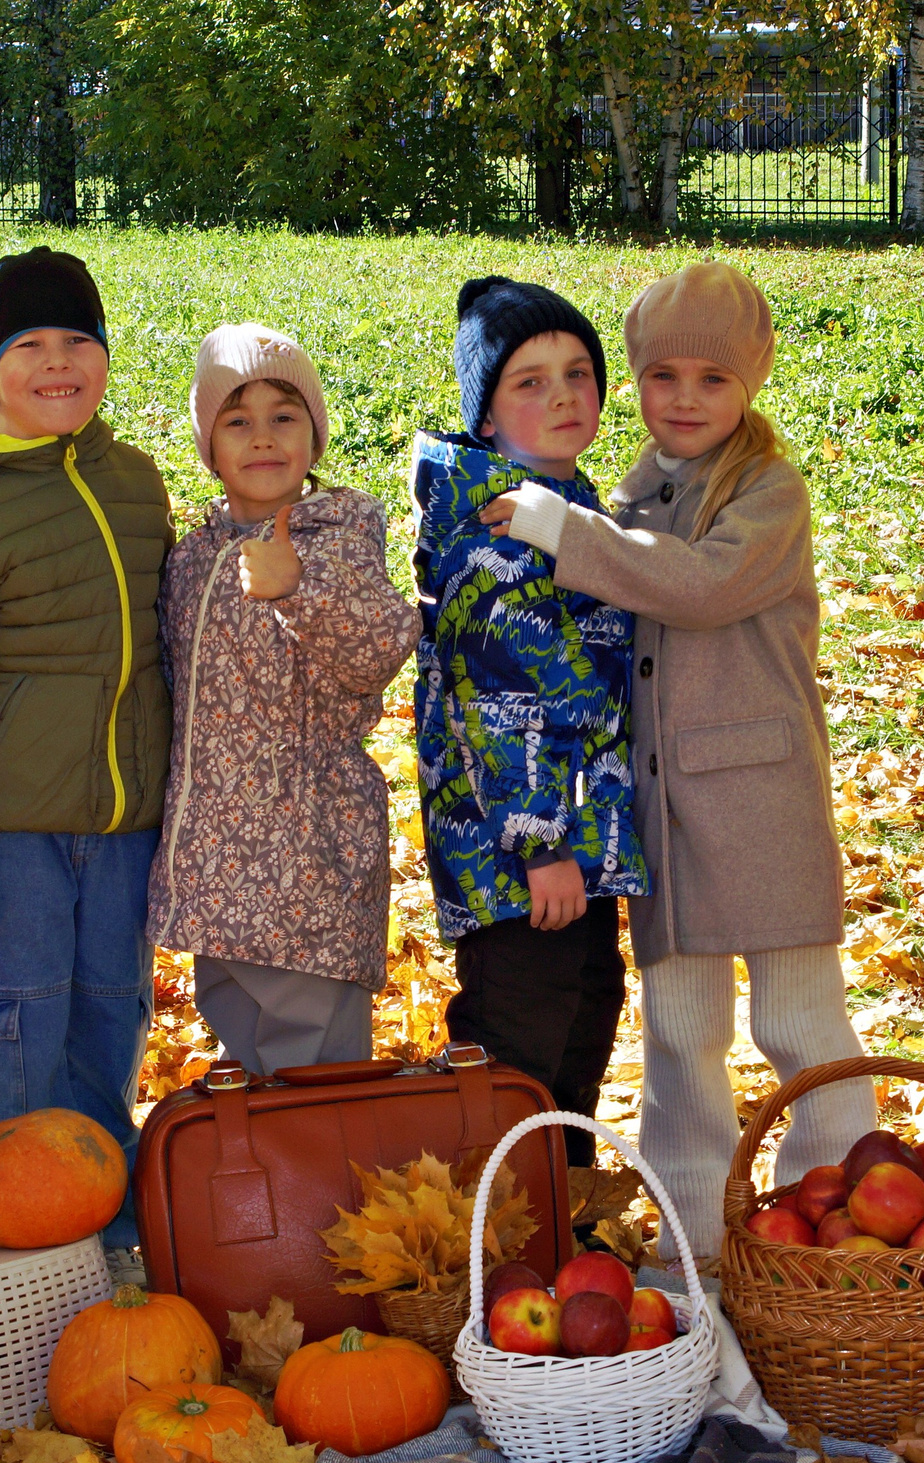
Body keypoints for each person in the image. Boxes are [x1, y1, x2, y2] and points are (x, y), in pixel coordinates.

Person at [480, 260, 876, 1267]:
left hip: (759, 800)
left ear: (750, 384)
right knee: (681, 1035)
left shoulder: (767, 495)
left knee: (800, 1022)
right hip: (661, 810)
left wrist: (565, 530)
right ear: (638, 384)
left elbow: (696, 588)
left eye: (712, 378)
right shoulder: (640, 491)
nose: (686, 399)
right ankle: (695, 1231)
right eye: (664, 377)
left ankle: (831, 1213)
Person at [0, 248, 172, 1270]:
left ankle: (112, 1238)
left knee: (111, 1022)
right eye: (29, 346)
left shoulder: (136, 485)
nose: (57, 364)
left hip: (124, 829)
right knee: (17, 1032)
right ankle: (22, 1249)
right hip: (8, 837)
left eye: (78, 343)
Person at [413, 277, 648, 1164]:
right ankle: (486, 1224)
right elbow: (500, 703)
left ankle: (558, 1209)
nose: (561, 395)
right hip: (518, 854)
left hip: (579, 841)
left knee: (585, 1015)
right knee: (520, 1042)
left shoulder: (570, 509)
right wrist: (541, 841)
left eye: (578, 373)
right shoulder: (498, 534)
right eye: (530, 380)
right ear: (485, 417)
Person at [150, 325, 419, 1074]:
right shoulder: (193, 557)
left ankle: (319, 1194)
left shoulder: (336, 536)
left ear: (316, 432)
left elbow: (378, 646)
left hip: (309, 868)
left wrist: (297, 587)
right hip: (218, 882)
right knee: (252, 1067)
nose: (263, 437)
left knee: (314, 1080)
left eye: (285, 415)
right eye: (237, 420)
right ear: (209, 443)